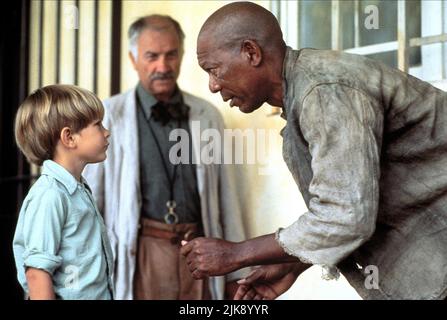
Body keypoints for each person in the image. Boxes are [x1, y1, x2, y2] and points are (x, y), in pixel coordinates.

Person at [181, 1, 447, 300]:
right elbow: (349, 206)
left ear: (251, 52)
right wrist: (293, 263)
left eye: (214, 70)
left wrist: (238, 253)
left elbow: (345, 215)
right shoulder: (302, 97)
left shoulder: (324, 89)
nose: (213, 86)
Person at [83, 14, 247, 300]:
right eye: (152, 56)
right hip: (140, 255)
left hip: (202, 255)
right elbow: (91, 202)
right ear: (134, 59)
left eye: (171, 55)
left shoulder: (207, 115)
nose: (163, 66)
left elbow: (226, 199)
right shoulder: (108, 116)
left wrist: (236, 274)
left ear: (182, 55)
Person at [12, 84, 114, 300]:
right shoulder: (50, 195)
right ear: (69, 138)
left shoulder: (77, 189)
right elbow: (37, 274)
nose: (107, 132)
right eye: (98, 125)